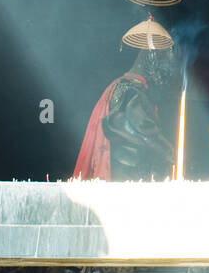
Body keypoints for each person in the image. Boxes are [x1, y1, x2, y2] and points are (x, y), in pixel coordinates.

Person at [73, 48, 179, 181]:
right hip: (126, 173)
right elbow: (143, 129)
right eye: (164, 67)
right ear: (152, 59)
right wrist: (171, 152)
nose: (164, 77)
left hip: (128, 169)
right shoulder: (131, 90)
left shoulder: (126, 86)